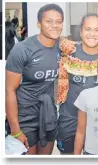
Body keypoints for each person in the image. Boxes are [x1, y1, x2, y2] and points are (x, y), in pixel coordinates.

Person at [5, 4, 64, 155]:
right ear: (39, 24)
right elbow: (9, 91)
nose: (55, 25)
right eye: (49, 21)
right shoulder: (22, 50)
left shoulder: (62, 46)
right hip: (25, 117)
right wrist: (15, 130)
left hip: (48, 113)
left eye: (58, 21)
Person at [56, 13, 98, 155]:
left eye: (97, 30)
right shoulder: (68, 53)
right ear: (80, 31)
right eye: (88, 29)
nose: (92, 34)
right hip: (69, 120)